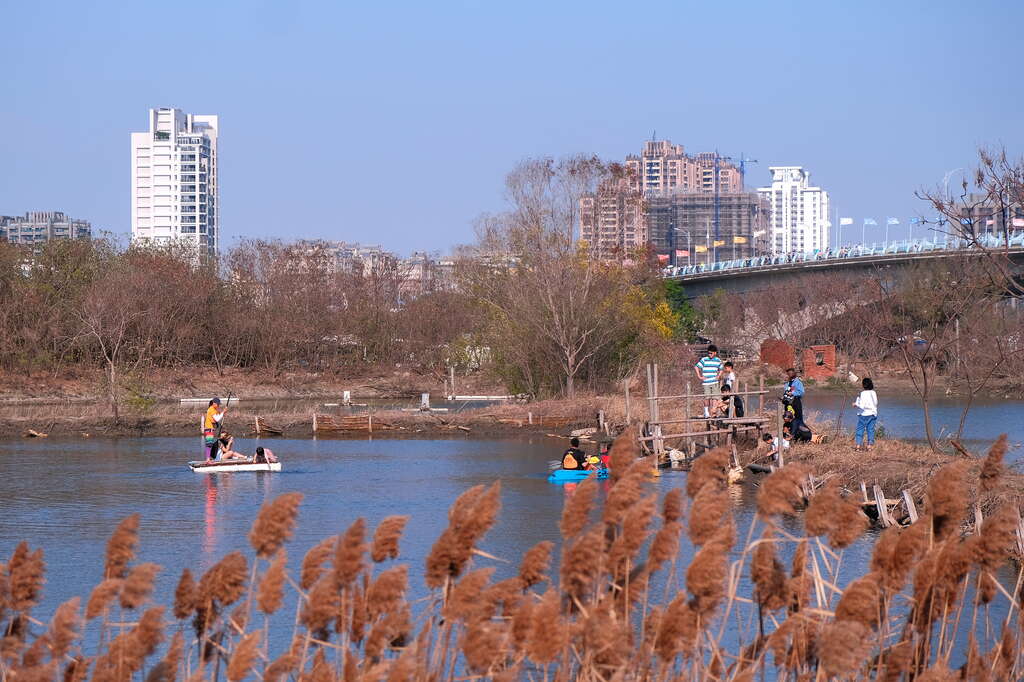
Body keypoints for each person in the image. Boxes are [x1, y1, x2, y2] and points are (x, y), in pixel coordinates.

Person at [694, 345, 724, 417]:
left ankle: (713, 412)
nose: (709, 354)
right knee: (706, 397)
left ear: (715, 353)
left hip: (714, 382)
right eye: (708, 353)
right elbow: (696, 367)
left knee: (715, 397)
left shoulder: (718, 360)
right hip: (706, 383)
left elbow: (721, 369)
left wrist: (718, 376)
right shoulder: (704, 359)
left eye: (711, 353)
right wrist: (699, 376)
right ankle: (706, 412)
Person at [853, 377, 879, 450]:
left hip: (863, 415)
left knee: (860, 429)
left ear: (863, 385)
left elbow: (862, 405)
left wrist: (855, 404)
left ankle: (858, 446)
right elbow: (876, 403)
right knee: (870, 430)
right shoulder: (873, 392)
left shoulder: (862, 393)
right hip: (872, 414)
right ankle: (869, 446)